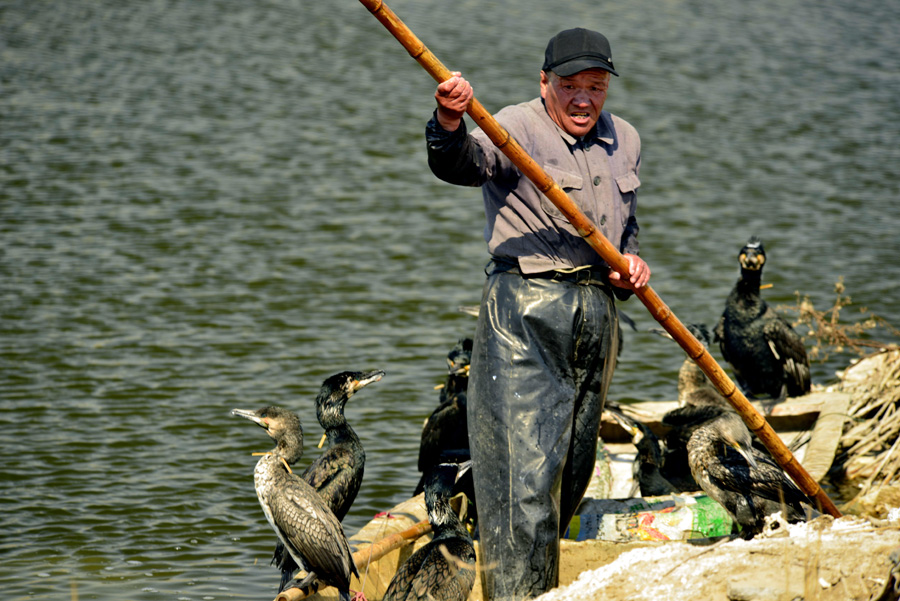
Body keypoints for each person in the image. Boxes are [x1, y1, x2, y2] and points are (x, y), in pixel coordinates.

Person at [424, 27, 650, 600]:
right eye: (570, 85)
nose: (582, 99)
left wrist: (631, 264)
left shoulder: (625, 138)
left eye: (595, 87)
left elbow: (625, 229)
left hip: (596, 314)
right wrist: (449, 121)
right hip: (524, 314)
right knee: (522, 488)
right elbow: (460, 164)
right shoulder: (515, 125)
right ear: (544, 83)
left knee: (568, 475)